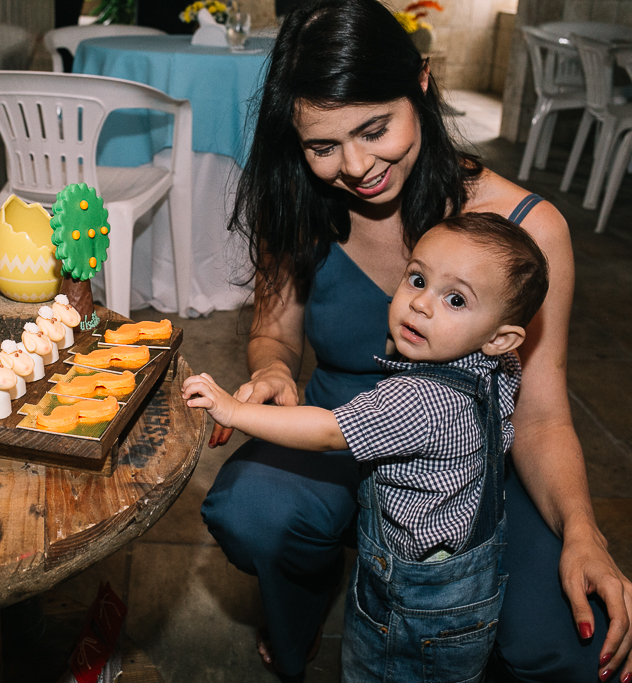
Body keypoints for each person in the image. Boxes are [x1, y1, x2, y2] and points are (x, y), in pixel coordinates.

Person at [199, 0, 632, 681]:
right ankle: (306, 590)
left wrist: (583, 530)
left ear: (421, 83)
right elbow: (273, 333)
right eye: (323, 146)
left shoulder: (526, 228)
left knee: (574, 649)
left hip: (464, 467)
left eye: (375, 128)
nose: (356, 165)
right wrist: (275, 370)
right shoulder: (300, 198)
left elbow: (541, 416)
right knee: (252, 511)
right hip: (338, 432)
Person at [186, 213, 547, 680]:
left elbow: (327, 430)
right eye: (417, 279)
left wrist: (233, 410)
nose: (421, 305)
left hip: (412, 596)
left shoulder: (420, 400)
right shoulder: (500, 367)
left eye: (455, 299)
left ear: (500, 337)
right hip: (472, 579)